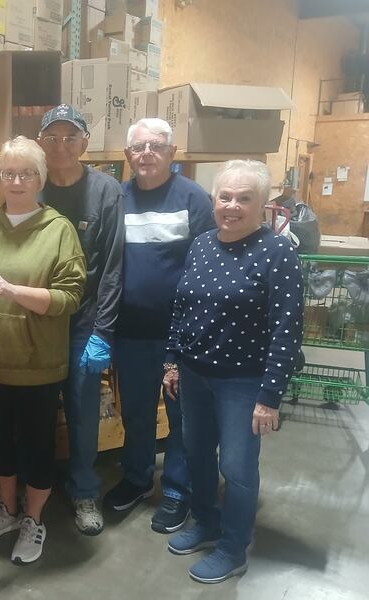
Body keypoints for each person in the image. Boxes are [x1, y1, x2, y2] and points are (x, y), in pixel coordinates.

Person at [163, 160, 303, 583]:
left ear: (263, 205)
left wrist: (269, 397)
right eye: (225, 197)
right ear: (214, 200)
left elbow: (287, 330)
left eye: (245, 198)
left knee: (238, 469)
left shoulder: (278, 252)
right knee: (198, 454)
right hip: (194, 374)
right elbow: (182, 306)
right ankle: (206, 523)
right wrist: (172, 360)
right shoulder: (202, 243)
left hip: (243, 383)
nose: (233, 206)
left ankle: (232, 547)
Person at [0, 136, 86, 565]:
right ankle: (8, 511)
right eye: (8, 173)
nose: (16, 181)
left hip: (38, 365)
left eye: (26, 173)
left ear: (42, 178)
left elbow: (70, 297)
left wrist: (14, 291)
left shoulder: (58, 230)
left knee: (37, 447)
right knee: (0, 444)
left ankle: (34, 519)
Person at [104, 118, 216, 534]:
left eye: (156, 145)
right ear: (128, 156)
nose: (146, 153)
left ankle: (176, 490)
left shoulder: (194, 199)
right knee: (135, 413)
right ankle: (136, 478)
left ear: (172, 153)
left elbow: (208, 266)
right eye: (138, 147)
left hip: (181, 338)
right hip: (130, 332)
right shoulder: (118, 198)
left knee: (182, 417)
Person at [37, 104, 125, 536]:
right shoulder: (31, 187)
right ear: (40, 144)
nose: (61, 146)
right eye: (52, 138)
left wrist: (102, 331)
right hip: (36, 320)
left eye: (70, 137)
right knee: (33, 410)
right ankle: (32, 488)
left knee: (83, 410)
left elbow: (112, 266)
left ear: (85, 143)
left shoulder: (106, 191)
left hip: (84, 322)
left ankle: (84, 490)